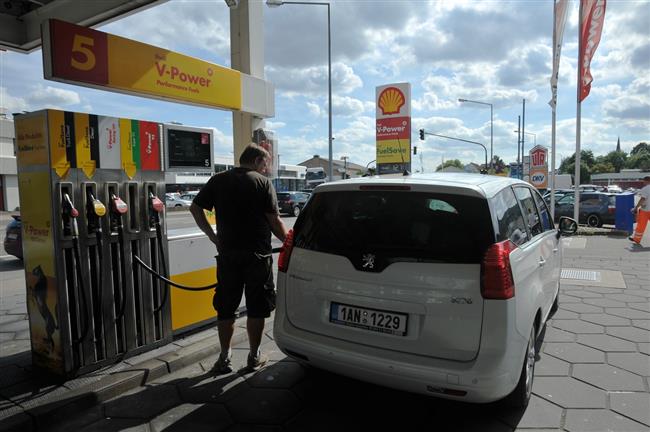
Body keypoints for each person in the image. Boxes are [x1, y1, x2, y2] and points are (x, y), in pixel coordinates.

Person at [190, 144, 288, 373]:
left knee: (226, 308)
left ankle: (224, 357)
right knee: (257, 307)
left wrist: (213, 237)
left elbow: (195, 208)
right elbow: (275, 222)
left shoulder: (218, 180)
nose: (266, 169)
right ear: (256, 161)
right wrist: (291, 244)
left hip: (228, 256)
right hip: (257, 256)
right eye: (265, 164)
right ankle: (253, 357)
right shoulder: (262, 183)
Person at [630, 175, 650, 245]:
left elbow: (642, 199)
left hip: (645, 210)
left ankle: (637, 239)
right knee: (640, 225)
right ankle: (636, 238)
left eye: (644, 181)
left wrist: (636, 207)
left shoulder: (645, 189)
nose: (643, 182)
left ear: (646, 181)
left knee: (641, 225)